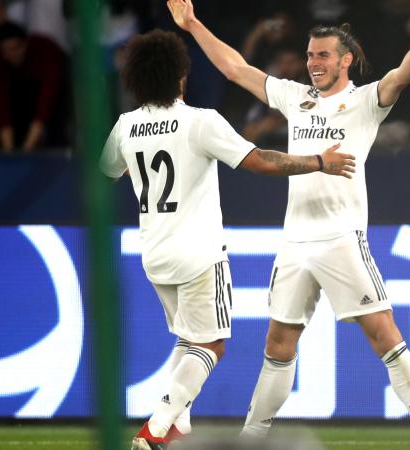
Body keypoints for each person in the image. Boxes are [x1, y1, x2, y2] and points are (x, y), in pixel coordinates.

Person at [167, 1, 410, 449]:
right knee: (278, 346)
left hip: (342, 238)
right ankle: (251, 439)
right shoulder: (296, 97)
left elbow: (401, 75)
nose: (313, 63)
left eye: (322, 55)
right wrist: (192, 24)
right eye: (309, 56)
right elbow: (236, 69)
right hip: (295, 243)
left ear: (345, 60)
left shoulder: (363, 102)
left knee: (384, 334)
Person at [99, 29, 355, 450]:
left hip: (155, 252)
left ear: (138, 80)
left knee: (188, 337)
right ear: (181, 75)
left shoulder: (126, 126)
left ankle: (177, 424)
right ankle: (155, 428)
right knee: (211, 343)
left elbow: (108, 172)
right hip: (198, 252)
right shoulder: (200, 121)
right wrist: (318, 161)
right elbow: (260, 162)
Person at [0, 21, 68, 152]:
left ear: (25, 45)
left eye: (14, 49)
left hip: (57, 89)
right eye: (5, 51)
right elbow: (1, 102)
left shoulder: (46, 51)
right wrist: (10, 152)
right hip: (21, 90)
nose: (9, 55)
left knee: (57, 132)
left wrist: (26, 150)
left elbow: (47, 98)